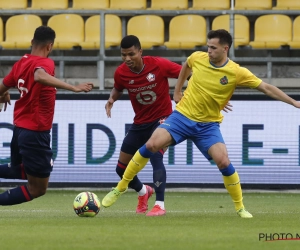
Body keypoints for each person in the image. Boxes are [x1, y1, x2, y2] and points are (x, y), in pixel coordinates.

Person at [102, 29, 300, 218]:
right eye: (208, 46)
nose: (209, 51)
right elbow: (186, 66)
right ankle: (120, 188)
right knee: (152, 144)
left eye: (213, 48)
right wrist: (177, 91)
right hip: (181, 117)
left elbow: (266, 87)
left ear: (225, 49)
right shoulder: (198, 57)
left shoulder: (236, 72)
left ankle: (240, 208)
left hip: (207, 125)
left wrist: (293, 102)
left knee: (223, 161)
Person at [0, 26, 93, 206]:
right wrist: (73, 87)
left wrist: (2, 94)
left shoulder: (20, 63)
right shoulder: (45, 63)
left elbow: (2, 87)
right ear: (49, 47)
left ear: (32, 42)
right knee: (38, 188)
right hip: (35, 132)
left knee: (22, 170)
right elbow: (39, 76)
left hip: (19, 131)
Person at [104, 35, 184, 216]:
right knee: (120, 169)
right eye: (123, 55)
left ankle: (160, 205)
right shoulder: (121, 72)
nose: (127, 59)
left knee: (156, 158)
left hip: (162, 121)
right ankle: (143, 192)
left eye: (131, 54)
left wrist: (181, 91)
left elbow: (185, 72)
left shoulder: (159, 65)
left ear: (140, 51)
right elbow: (118, 87)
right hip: (139, 123)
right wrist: (112, 98)